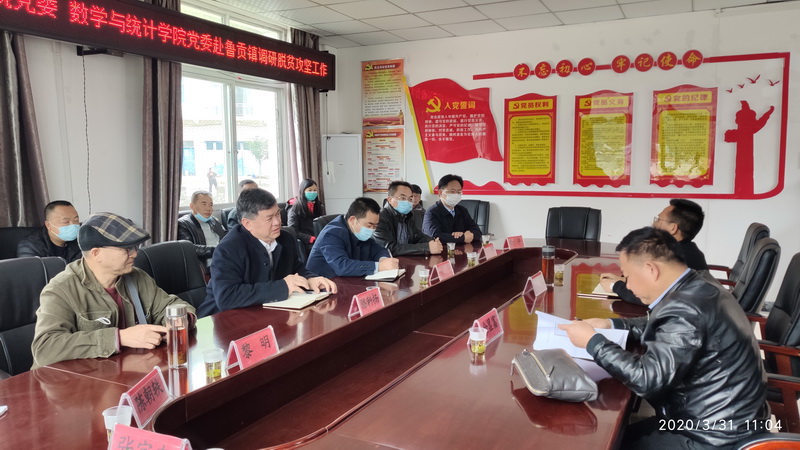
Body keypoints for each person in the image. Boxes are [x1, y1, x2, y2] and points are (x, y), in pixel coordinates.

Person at [558, 227, 767, 449]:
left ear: (651, 269)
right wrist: (611, 324)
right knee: (617, 434)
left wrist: (593, 342)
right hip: (719, 417)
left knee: (599, 441)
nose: (627, 285)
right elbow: (666, 326)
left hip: (712, 436)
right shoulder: (700, 286)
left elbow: (648, 380)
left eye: (627, 276)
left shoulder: (685, 309)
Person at [31, 212, 196, 368]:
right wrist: (119, 338)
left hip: (125, 373)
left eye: (135, 247)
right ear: (96, 253)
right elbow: (45, 348)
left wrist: (178, 322)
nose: (135, 254)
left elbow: (171, 305)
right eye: (127, 249)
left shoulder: (137, 277)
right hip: (75, 382)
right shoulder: (61, 289)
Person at [198, 188, 336, 317]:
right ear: (247, 224)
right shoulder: (228, 249)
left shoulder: (286, 239)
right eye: (269, 218)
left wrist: (310, 279)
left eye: (278, 214)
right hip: (222, 320)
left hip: (265, 315)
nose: (277, 222)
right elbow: (226, 297)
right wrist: (282, 286)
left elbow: (296, 268)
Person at [600, 199, 708, 305]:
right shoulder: (686, 250)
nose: (654, 224)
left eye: (658, 219)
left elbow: (650, 296)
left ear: (673, 228)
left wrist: (614, 286)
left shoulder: (678, 257)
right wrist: (624, 280)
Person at [306, 197, 399, 278]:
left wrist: (384, 259)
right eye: (369, 225)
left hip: (347, 282)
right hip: (323, 286)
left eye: (375, 226)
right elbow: (342, 266)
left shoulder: (358, 232)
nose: (372, 230)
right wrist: (379, 266)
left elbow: (378, 250)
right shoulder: (331, 234)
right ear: (352, 220)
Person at [374, 181, 442, 256]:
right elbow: (390, 248)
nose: (407, 202)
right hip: (384, 261)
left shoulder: (407, 216)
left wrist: (433, 241)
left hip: (404, 260)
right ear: (390, 199)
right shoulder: (379, 218)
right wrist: (427, 247)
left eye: (410, 199)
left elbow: (418, 236)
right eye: (402, 198)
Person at [423, 174, 482, 244]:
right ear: (440, 192)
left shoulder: (462, 210)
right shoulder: (432, 212)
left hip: (464, 249)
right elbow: (434, 236)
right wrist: (463, 237)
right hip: (443, 250)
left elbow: (477, 231)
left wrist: (470, 234)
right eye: (452, 191)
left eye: (459, 192)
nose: (456, 195)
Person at [17, 200, 82, 263]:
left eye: (76, 221)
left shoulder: (81, 240)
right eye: (66, 222)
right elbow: (32, 269)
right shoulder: (30, 247)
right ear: (48, 225)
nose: (73, 225)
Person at [177, 190, 227, 272]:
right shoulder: (183, 224)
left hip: (225, 257)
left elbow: (226, 237)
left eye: (211, 205)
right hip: (210, 263)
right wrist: (217, 250)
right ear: (192, 206)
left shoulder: (214, 220)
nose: (208, 208)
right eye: (204, 204)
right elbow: (189, 248)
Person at [287, 178, 326, 253]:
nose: (313, 192)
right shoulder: (294, 209)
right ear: (303, 191)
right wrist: (309, 238)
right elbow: (292, 231)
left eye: (315, 190)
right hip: (306, 242)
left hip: (319, 239)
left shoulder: (319, 206)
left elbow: (323, 224)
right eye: (309, 190)